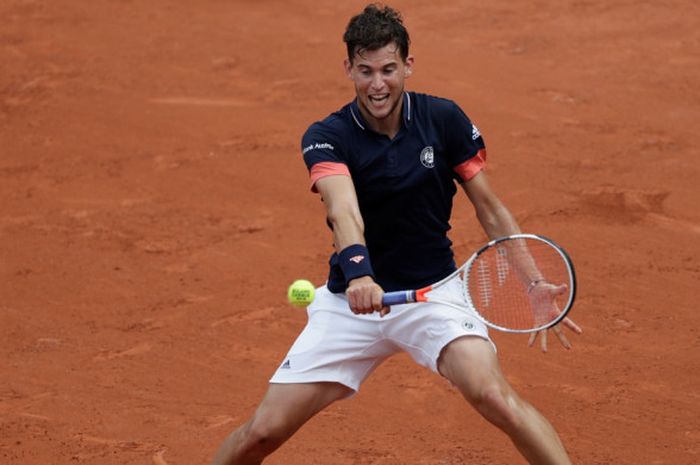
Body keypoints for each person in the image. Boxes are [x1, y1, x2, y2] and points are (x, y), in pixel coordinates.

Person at [209, 4, 582, 465]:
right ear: (348, 67)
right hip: (352, 305)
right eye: (365, 71)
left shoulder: (442, 119)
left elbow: (489, 207)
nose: (377, 84)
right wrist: (361, 274)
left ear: (408, 64)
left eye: (388, 69)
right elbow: (343, 210)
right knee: (262, 433)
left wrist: (533, 281)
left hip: (434, 297)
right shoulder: (327, 135)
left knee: (496, 398)